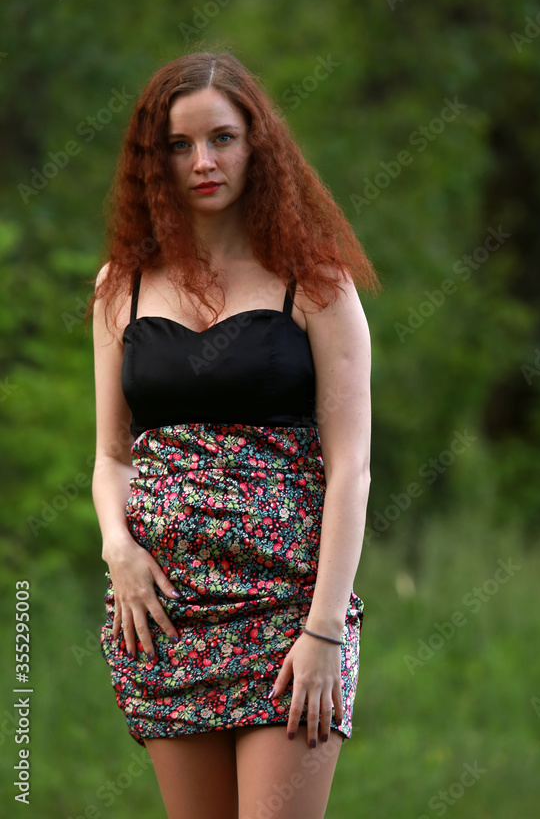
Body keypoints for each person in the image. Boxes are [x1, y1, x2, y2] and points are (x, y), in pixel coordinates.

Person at [87, 50, 379, 819]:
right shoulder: (120, 285)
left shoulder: (315, 280)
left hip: (289, 614)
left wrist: (323, 632)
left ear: (258, 145)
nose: (202, 162)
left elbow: (350, 469)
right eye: (178, 146)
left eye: (221, 138)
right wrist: (118, 549)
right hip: (164, 616)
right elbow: (112, 456)